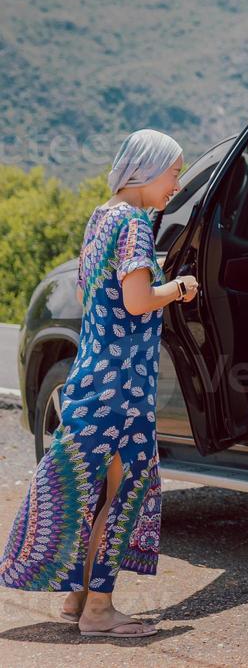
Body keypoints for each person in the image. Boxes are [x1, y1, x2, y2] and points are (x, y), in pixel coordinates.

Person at [0, 129, 199, 638]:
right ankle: (99, 612)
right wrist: (176, 288)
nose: (176, 184)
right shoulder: (134, 223)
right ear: (147, 171)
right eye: (174, 174)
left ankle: (79, 597)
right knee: (125, 490)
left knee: (89, 487)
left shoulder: (101, 216)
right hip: (123, 388)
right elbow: (136, 300)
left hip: (94, 374)